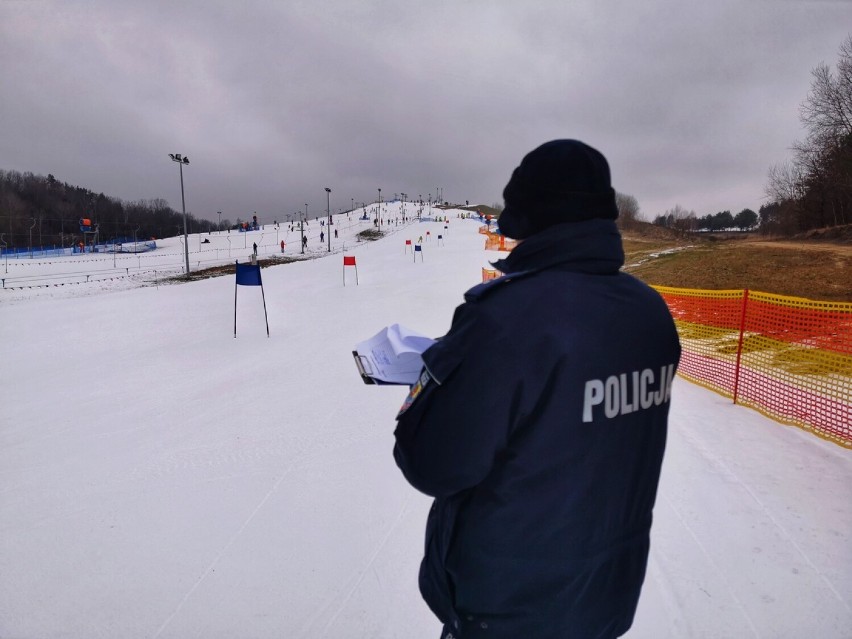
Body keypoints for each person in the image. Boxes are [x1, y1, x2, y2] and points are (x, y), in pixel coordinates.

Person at [393, 139, 681, 639]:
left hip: (507, 612)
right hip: (604, 599)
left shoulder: (504, 320)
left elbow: (432, 464)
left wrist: (438, 376)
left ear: (527, 218)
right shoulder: (650, 313)